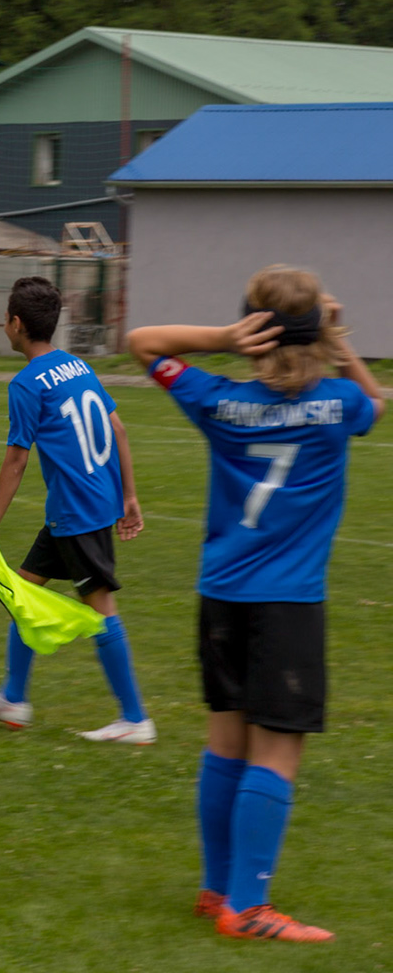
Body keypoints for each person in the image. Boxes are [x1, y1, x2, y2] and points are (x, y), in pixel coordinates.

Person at [126, 267, 381, 944]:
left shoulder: (216, 399)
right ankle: (249, 907)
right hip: (287, 606)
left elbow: (141, 341)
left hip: (221, 599)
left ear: (253, 330)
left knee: (226, 746)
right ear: (315, 333)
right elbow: (378, 402)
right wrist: (341, 341)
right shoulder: (337, 406)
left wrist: (221, 339)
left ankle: (218, 890)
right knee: (277, 754)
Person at [0, 277, 152, 744]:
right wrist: (129, 496)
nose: (4, 325)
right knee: (23, 592)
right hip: (89, 503)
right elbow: (118, 429)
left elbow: (17, 458)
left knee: (101, 607)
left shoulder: (26, 384)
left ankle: (135, 719)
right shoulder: (77, 365)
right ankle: (13, 698)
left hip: (77, 512)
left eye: (5, 318)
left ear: (16, 323)